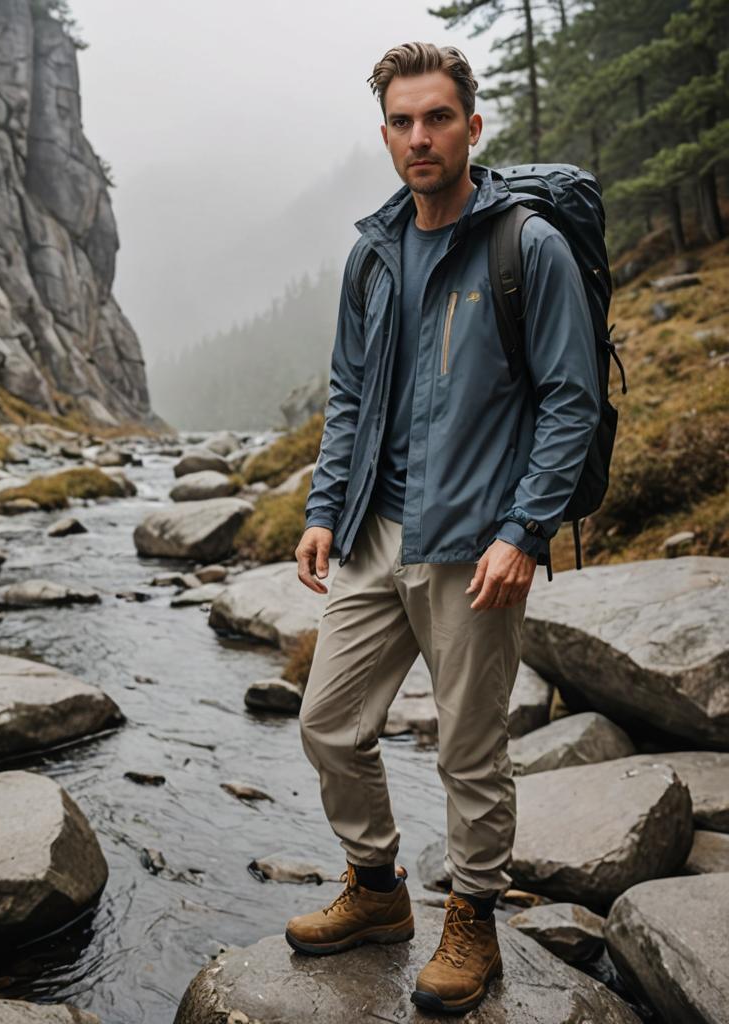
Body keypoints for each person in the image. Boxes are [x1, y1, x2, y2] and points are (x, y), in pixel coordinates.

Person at [285, 42, 601, 1015]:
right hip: (377, 534)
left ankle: (473, 918)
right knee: (327, 722)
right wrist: (324, 507)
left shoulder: (525, 247)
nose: (419, 137)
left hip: (477, 547)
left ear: (472, 124)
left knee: (469, 751)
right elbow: (348, 393)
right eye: (401, 122)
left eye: (436, 118)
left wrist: (524, 529)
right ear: (384, 133)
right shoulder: (373, 252)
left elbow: (568, 401)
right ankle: (378, 890)